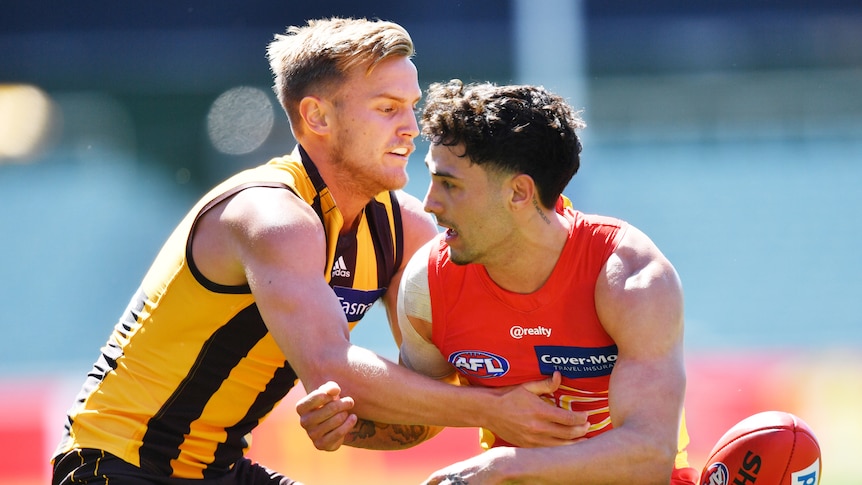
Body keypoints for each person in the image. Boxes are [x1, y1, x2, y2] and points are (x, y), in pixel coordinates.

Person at [50, 19, 587, 485]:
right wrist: (499, 410)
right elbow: (337, 369)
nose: (411, 128)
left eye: (412, 108)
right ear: (318, 117)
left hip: (216, 467)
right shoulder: (272, 216)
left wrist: (355, 427)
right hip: (113, 464)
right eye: (386, 108)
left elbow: (420, 404)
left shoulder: (405, 229)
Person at [299, 79, 701, 484]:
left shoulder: (629, 275)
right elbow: (421, 421)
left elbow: (650, 455)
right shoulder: (428, 284)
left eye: (450, 184)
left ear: (519, 192)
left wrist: (506, 468)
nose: (428, 203)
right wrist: (352, 426)